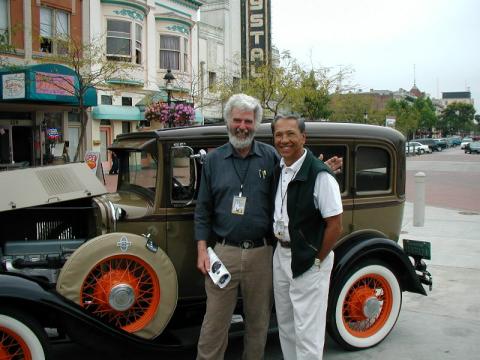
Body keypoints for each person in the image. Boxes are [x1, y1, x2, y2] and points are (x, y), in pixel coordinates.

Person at [194, 94, 342, 360]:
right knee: (214, 323)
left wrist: (322, 170)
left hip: (263, 254)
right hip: (223, 253)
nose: (242, 126)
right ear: (228, 121)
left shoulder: (270, 156)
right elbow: (202, 209)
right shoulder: (213, 161)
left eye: (248, 121)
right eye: (237, 120)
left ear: (256, 124)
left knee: (259, 323)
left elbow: (296, 173)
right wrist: (202, 249)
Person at [271, 115, 343, 360]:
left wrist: (317, 261)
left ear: (303, 137)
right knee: (287, 325)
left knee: (308, 332)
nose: (284, 140)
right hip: (281, 255)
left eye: (291, 134)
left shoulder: (320, 175)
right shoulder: (279, 169)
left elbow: (335, 225)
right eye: (279, 135)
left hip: (307, 258)